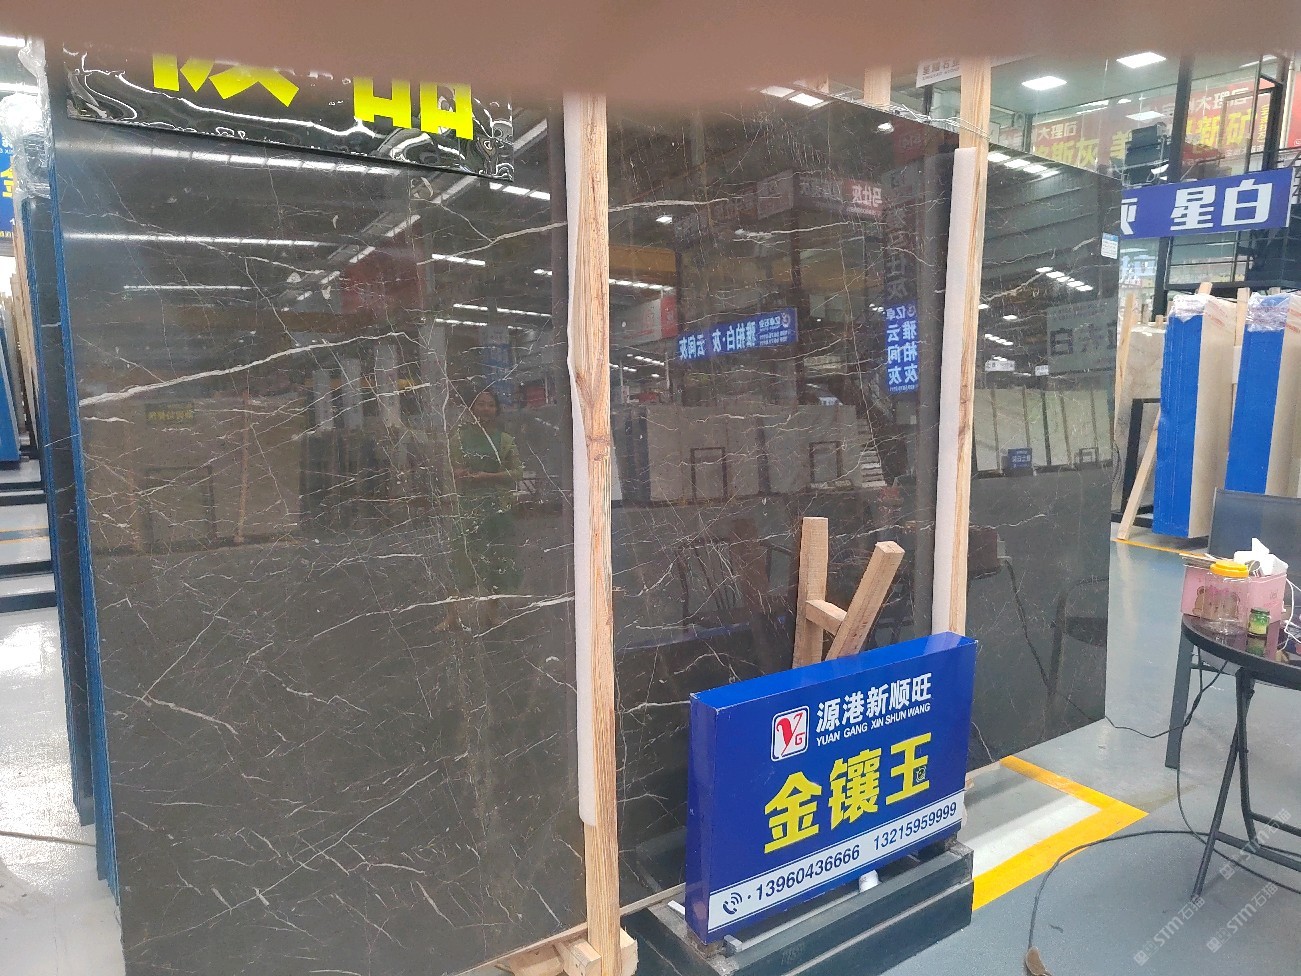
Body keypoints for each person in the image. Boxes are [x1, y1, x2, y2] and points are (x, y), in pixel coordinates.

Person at [438, 388, 523, 631]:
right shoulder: (458, 439)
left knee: (497, 561)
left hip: (497, 509)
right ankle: (451, 617)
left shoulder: (505, 440)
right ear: (471, 408)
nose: (486, 409)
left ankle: (492, 614)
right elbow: (451, 468)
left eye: (490, 405)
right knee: (460, 560)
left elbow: (517, 472)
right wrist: (459, 473)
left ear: (497, 410)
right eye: (481, 404)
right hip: (468, 507)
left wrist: (489, 476)